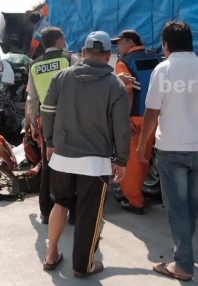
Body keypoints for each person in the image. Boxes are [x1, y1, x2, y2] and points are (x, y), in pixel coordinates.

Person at [138, 21, 198, 281]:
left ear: (165, 45)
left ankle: (183, 265)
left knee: (176, 207)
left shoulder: (163, 69)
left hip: (171, 148)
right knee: (190, 204)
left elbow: (152, 112)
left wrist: (141, 144)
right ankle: (184, 249)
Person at [41, 31, 131, 278]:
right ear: (108, 56)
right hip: (95, 163)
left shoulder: (61, 77)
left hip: (62, 156)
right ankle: (83, 266)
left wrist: (50, 142)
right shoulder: (116, 85)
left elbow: (47, 111)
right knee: (89, 214)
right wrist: (121, 160)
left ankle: (51, 255)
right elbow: (122, 128)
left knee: (60, 203)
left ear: (83, 53)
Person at [25, 26, 78, 225]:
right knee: (72, 164)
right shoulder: (69, 58)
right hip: (69, 119)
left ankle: (46, 211)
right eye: (63, 38)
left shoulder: (35, 64)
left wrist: (32, 124)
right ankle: (73, 212)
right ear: (57, 41)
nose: (65, 42)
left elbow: (32, 98)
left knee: (48, 165)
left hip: (45, 120)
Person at [111, 30, 161, 214]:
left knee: (131, 160)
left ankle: (134, 201)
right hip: (154, 117)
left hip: (136, 117)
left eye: (120, 43)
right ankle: (134, 191)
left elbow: (128, 91)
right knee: (144, 157)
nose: (117, 47)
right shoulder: (156, 57)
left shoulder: (125, 62)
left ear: (130, 43)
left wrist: (125, 117)